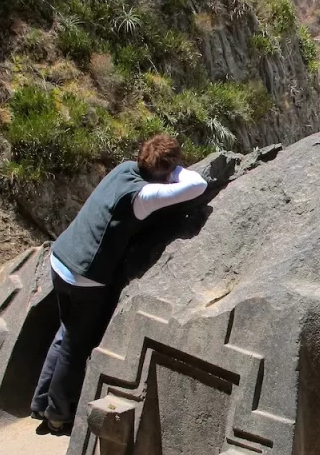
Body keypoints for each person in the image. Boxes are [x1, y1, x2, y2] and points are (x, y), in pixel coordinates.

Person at [30, 134, 208, 433]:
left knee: (66, 332)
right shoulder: (142, 196)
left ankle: (40, 402)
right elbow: (197, 185)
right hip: (84, 275)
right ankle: (57, 415)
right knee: (75, 345)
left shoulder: (123, 169)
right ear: (167, 169)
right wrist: (176, 169)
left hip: (61, 258)